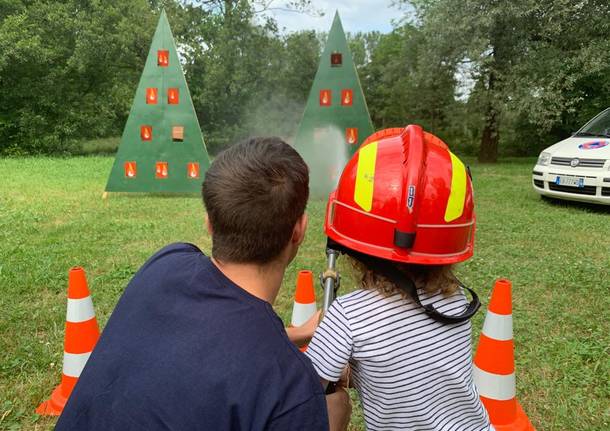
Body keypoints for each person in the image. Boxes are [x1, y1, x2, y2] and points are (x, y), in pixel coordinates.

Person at [55, 137, 351, 430]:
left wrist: (298, 334)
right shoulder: (290, 388)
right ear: (299, 230)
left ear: (209, 222)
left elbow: (213, 346)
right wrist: (331, 425)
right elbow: (237, 353)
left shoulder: (167, 263)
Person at [305, 125, 494, 430]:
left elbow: (309, 385)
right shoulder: (456, 300)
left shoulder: (348, 315)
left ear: (354, 248)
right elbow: (411, 366)